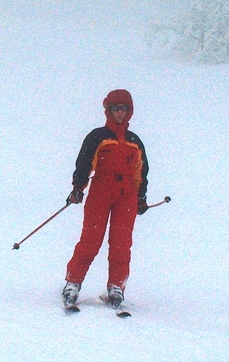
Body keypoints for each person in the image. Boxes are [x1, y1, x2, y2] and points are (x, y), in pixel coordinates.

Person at [62, 89, 149, 309]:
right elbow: (83, 163)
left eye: (124, 109)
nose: (120, 113)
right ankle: (73, 282)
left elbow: (142, 171)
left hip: (127, 195)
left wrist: (141, 197)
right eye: (115, 108)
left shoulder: (134, 141)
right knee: (91, 240)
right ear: (107, 110)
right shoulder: (98, 136)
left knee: (121, 243)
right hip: (101, 190)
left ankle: (116, 286)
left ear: (130, 111)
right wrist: (78, 187)